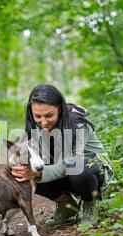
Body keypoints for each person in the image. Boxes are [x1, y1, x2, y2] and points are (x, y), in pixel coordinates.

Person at [11, 84, 114, 227]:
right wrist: (20, 168)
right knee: (26, 170)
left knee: (75, 167)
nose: (43, 122)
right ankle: (66, 205)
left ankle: (89, 204)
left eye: (49, 115)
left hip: (89, 170)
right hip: (61, 170)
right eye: (38, 116)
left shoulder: (77, 124)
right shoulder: (34, 126)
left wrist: (37, 174)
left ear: (59, 109)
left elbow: (68, 164)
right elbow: (23, 152)